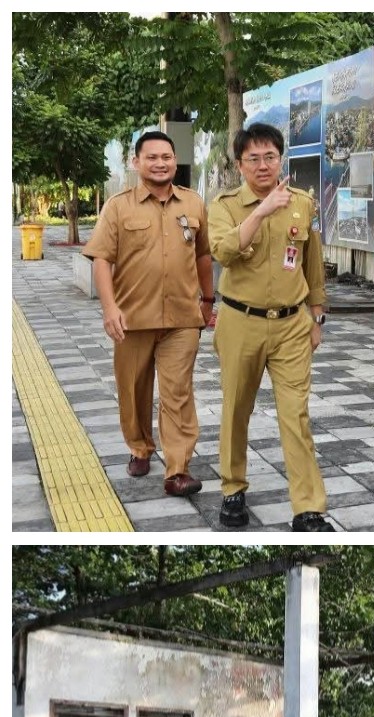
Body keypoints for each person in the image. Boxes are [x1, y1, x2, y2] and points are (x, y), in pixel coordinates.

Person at [208, 122, 333, 532]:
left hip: (291, 325)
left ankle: (308, 507)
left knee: (295, 414)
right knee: (236, 410)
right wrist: (261, 211)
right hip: (240, 322)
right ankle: (232, 490)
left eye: (270, 157)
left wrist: (316, 315)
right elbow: (225, 252)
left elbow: (311, 261)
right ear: (239, 164)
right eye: (253, 159)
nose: (263, 166)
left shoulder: (302, 203)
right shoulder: (224, 206)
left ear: (281, 159)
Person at [83, 131, 214, 497]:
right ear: (136, 162)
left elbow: (203, 255)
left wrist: (208, 300)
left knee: (177, 392)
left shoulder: (193, 203)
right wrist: (110, 309)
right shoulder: (118, 206)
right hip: (133, 319)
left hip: (183, 319)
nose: (160, 163)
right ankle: (140, 447)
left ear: (175, 161)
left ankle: (177, 470)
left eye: (167, 157)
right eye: (152, 157)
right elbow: (102, 260)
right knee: (134, 391)